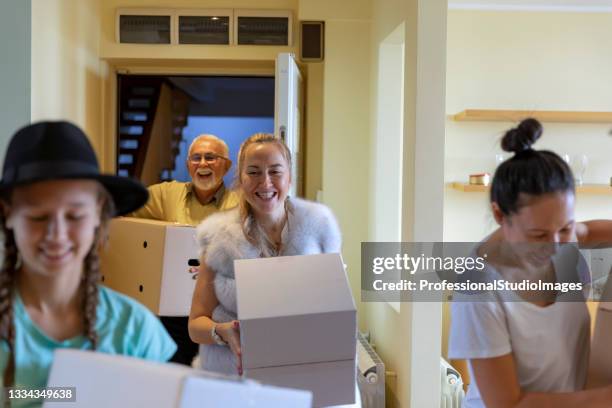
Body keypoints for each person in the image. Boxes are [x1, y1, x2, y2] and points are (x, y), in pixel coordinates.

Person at [0, 121, 176, 407]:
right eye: (38, 217)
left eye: (74, 216)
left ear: (98, 215)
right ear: (8, 214)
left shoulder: (135, 329)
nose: (56, 235)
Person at [449, 118, 612, 407]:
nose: (556, 244)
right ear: (500, 215)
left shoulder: (564, 239)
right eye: (538, 235)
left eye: (565, 228)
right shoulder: (478, 286)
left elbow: (589, 231)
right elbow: (508, 404)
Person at [188, 133, 342, 376]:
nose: (266, 183)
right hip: (235, 382)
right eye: (254, 172)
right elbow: (196, 324)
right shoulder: (219, 238)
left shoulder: (319, 228)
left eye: (275, 171)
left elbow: (337, 311)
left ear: (289, 177)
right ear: (240, 179)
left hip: (303, 374)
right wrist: (223, 332)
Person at [131, 134, 238, 366]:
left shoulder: (240, 205)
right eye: (196, 158)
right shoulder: (167, 195)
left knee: (210, 380)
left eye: (210, 158)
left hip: (216, 313)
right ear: (188, 164)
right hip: (173, 311)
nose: (202, 164)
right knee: (172, 376)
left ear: (227, 165)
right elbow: (124, 211)